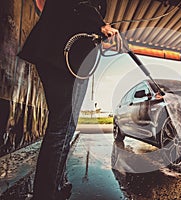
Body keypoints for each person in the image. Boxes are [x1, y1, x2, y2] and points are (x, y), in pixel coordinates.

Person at [18, 0, 118, 199]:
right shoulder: (89, 9)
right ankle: (45, 193)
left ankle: (54, 183)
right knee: (61, 129)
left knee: (64, 127)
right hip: (65, 59)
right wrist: (100, 25)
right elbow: (81, 6)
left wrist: (99, 30)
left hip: (60, 54)